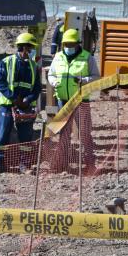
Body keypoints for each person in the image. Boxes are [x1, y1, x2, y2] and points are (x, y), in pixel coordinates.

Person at [47, 28, 99, 172]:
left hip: (81, 101)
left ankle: (90, 164)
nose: (68, 47)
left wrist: (84, 79)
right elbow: (51, 74)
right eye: (66, 44)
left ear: (77, 43)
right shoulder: (57, 57)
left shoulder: (87, 57)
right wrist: (53, 82)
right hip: (62, 101)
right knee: (64, 133)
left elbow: (96, 76)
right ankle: (62, 163)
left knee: (85, 133)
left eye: (71, 44)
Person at [0, 32, 42, 174]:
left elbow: (37, 87)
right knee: (3, 134)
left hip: (25, 106)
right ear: (23, 48)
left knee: (26, 136)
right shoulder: (6, 62)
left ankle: (24, 165)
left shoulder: (33, 66)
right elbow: (0, 83)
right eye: (30, 48)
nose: (31, 51)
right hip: (8, 105)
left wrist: (28, 99)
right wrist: (13, 98)